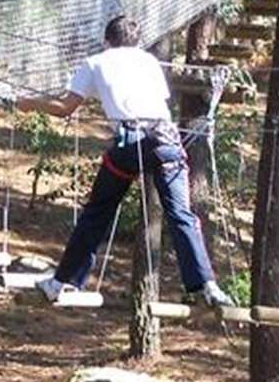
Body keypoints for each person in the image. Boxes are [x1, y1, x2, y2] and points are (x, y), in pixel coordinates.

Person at [17, 15, 233, 307]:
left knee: (97, 214)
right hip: (164, 142)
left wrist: (31, 103)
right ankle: (207, 286)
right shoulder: (149, 63)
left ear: (107, 41)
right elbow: (155, 101)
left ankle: (61, 282)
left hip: (129, 145)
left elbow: (65, 107)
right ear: (136, 42)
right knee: (181, 215)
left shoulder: (95, 62)